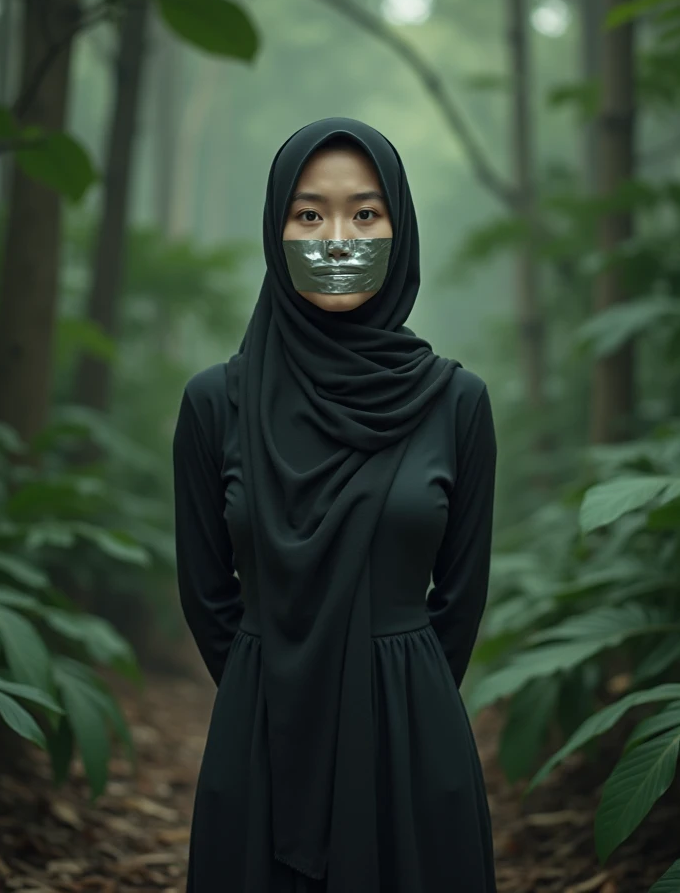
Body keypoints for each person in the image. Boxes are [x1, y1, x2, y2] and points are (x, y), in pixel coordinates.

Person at [172, 117, 498, 893]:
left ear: (399, 228)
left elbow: (460, 598)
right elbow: (206, 594)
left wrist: (396, 684)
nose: (337, 237)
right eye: (309, 214)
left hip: (412, 734)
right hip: (259, 730)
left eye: (366, 212)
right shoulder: (217, 403)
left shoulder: (455, 403)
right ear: (275, 229)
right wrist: (273, 676)